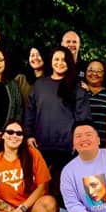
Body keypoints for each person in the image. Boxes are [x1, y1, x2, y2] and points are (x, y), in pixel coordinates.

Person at [24, 47, 91, 203]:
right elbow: (30, 112)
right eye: (56, 59)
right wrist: (28, 135)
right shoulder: (40, 85)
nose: (60, 63)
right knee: (39, 186)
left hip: (67, 146)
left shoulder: (77, 88)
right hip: (41, 144)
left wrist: (79, 140)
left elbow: (84, 119)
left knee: (64, 186)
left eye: (64, 60)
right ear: (51, 62)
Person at [84, 59, 106, 144]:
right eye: (90, 70)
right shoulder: (79, 91)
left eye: (99, 71)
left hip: (103, 143)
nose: (94, 74)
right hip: (82, 142)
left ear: (105, 74)